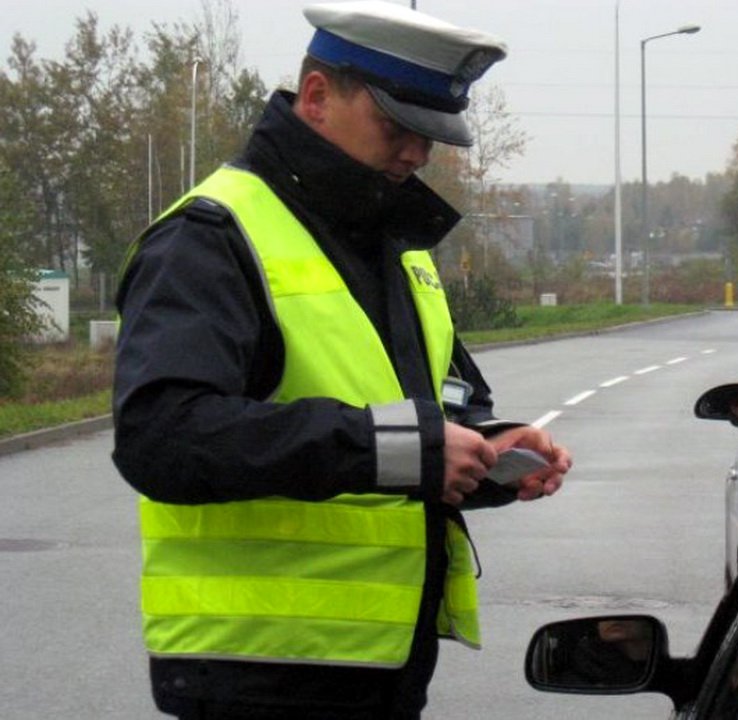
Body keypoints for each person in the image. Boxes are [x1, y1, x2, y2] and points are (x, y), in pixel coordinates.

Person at [111, 2, 571, 718]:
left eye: (431, 136)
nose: (417, 154)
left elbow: (427, 415)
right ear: (318, 96)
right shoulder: (211, 236)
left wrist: (487, 450)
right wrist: (407, 450)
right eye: (397, 127)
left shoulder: (393, 244)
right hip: (255, 673)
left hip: (378, 673)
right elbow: (162, 436)